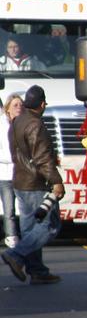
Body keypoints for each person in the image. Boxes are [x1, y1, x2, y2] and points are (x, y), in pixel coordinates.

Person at [1, 86, 63, 285]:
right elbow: (42, 158)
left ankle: (37, 271)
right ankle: (16, 255)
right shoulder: (36, 124)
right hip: (35, 183)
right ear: (42, 104)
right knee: (50, 225)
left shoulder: (17, 122)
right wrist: (56, 182)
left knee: (29, 229)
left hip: (19, 181)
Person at [1, 93, 23, 248]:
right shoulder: (2, 126)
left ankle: (25, 236)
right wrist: (14, 158)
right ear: (7, 108)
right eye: (15, 105)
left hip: (22, 174)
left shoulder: (25, 125)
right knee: (9, 209)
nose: (19, 108)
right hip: (5, 175)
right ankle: (11, 237)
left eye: (21, 105)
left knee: (25, 208)